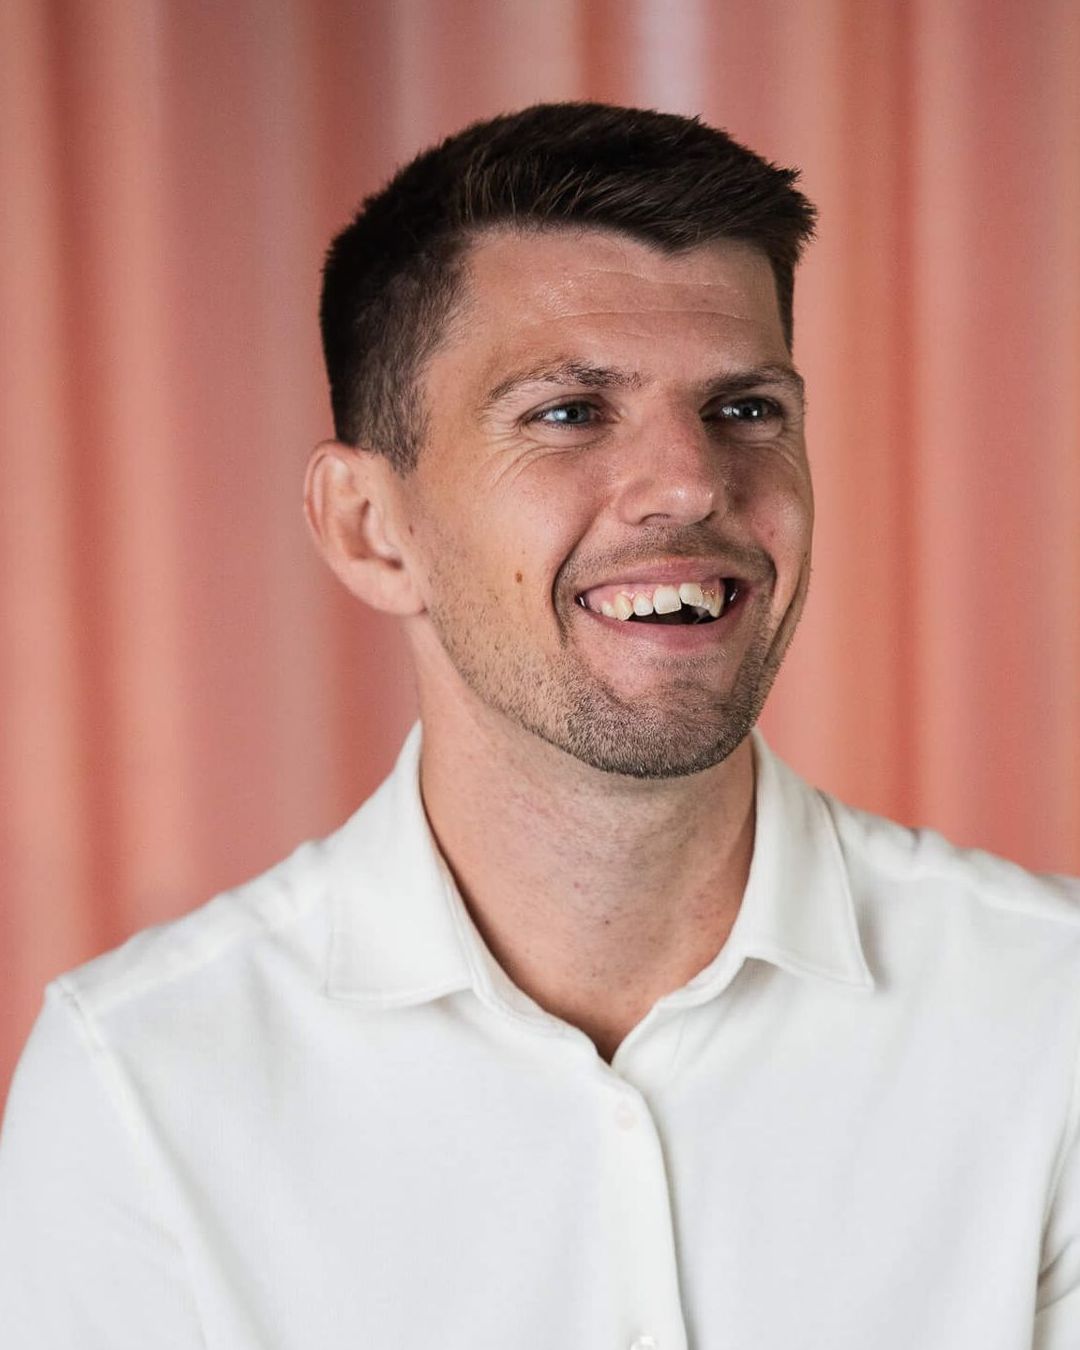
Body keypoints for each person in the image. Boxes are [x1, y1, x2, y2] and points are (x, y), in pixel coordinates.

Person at [0, 102, 1077, 1350]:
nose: (689, 482)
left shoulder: (1048, 1019)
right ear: (369, 527)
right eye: (567, 412)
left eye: (746, 409)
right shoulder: (141, 1083)